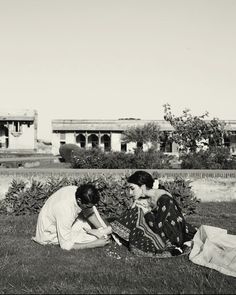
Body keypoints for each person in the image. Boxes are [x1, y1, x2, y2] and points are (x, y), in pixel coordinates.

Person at [87, 171, 197, 257]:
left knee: (138, 212)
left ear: (143, 187)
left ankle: (105, 232)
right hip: (165, 230)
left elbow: (157, 228)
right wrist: (138, 203)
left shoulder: (164, 199)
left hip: (171, 237)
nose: (130, 193)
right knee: (137, 211)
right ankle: (107, 232)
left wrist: (146, 213)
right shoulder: (150, 195)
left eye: (132, 188)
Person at [32, 183, 111, 251]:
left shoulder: (77, 191)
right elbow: (65, 246)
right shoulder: (65, 210)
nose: (89, 208)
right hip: (49, 234)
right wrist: (95, 244)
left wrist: (102, 229)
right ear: (79, 200)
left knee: (93, 226)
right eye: (87, 206)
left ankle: (98, 231)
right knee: (93, 238)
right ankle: (93, 233)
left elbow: (90, 213)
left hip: (59, 220)